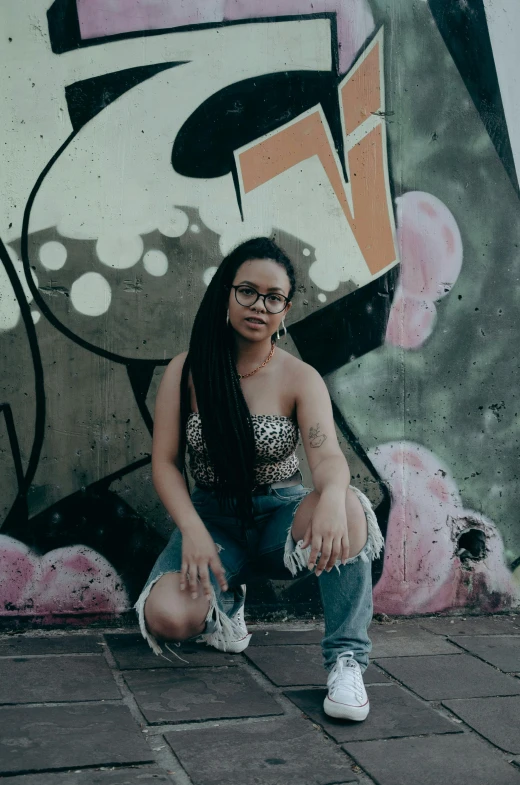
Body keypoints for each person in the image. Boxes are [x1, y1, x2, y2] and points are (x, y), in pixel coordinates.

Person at [134, 237, 384, 721]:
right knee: (167, 617)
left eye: (273, 298)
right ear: (226, 293)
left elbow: (327, 455)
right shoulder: (186, 371)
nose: (259, 306)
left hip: (279, 520)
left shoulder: (298, 376)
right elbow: (165, 463)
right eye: (247, 291)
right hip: (212, 524)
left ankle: (346, 661)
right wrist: (192, 531)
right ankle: (225, 599)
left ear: (285, 310)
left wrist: (331, 493)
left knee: (350, 506)